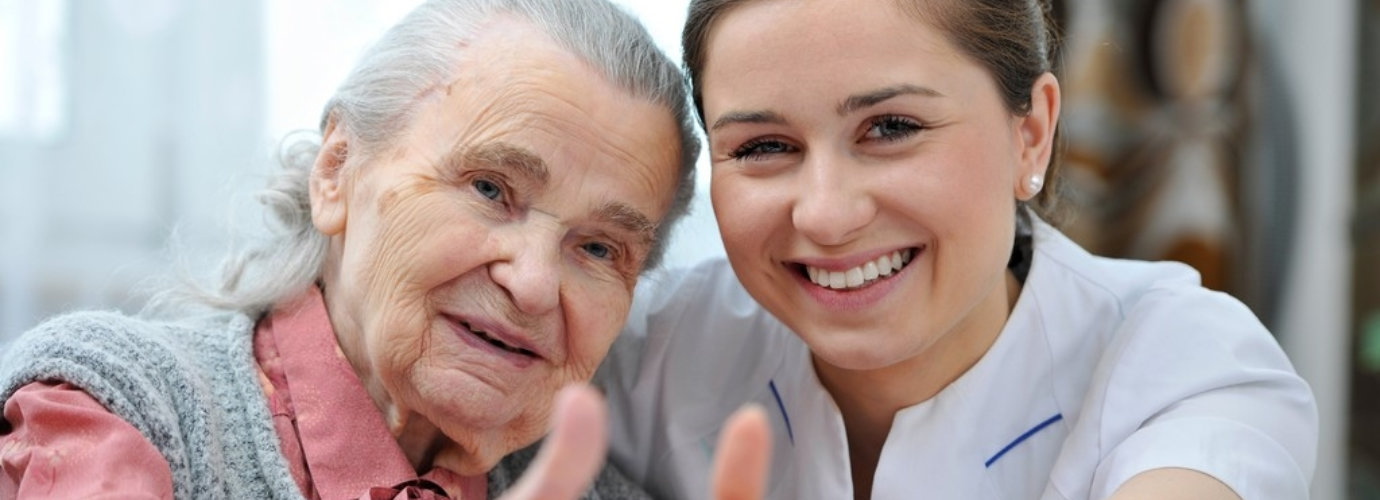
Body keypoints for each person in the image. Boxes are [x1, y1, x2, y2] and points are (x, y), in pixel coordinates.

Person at [595, 0, 1318, 498]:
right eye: (764, 146)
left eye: (891, 127)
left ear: (1030, 132)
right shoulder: (640, 352)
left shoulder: (1184, 367)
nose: (827, 214)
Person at [0, 0, 703, 498]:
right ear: (336, 170)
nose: (534, 283)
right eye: (490, 188)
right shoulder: (118, 411)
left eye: (601, 249)